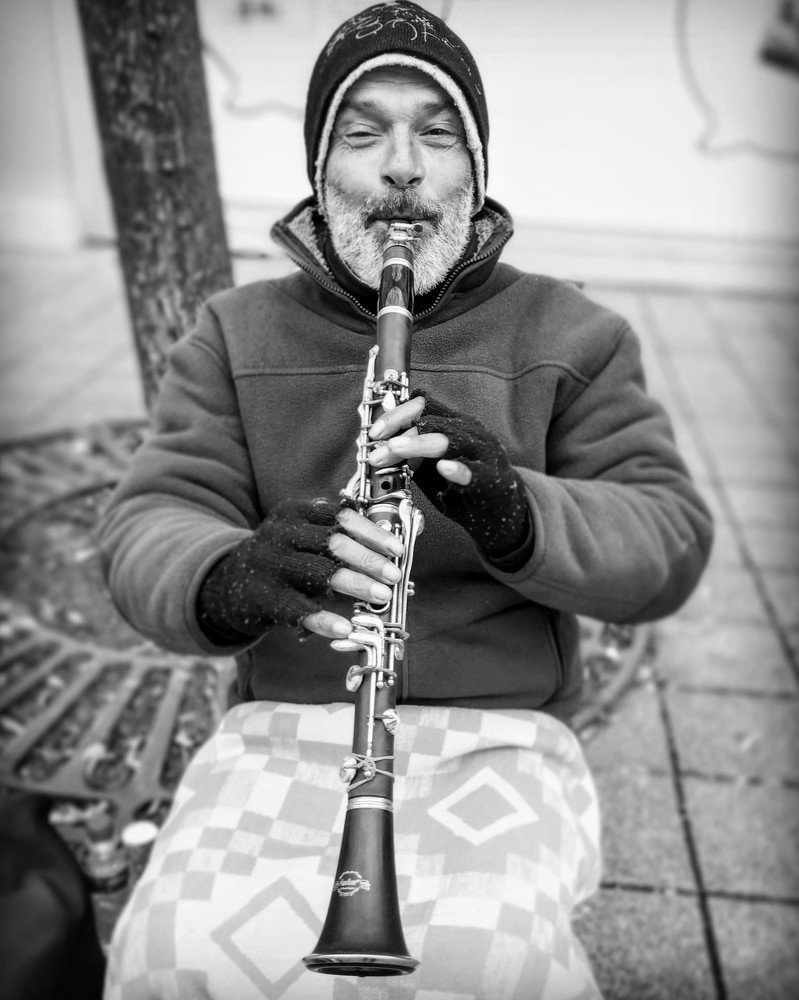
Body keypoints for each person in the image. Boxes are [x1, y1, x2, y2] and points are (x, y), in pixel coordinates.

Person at [99, 3, 713, 997]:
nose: (400, 168)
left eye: (436, 132)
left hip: (502, 732)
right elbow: (146, 521)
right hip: (285, 726)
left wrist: (516, 511)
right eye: (362, 133)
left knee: (497, 968)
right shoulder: (231, 332)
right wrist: (231, 574)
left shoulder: (575, 334)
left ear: (475, 167)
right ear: (319, 169)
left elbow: (668, 537)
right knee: (171, 954)